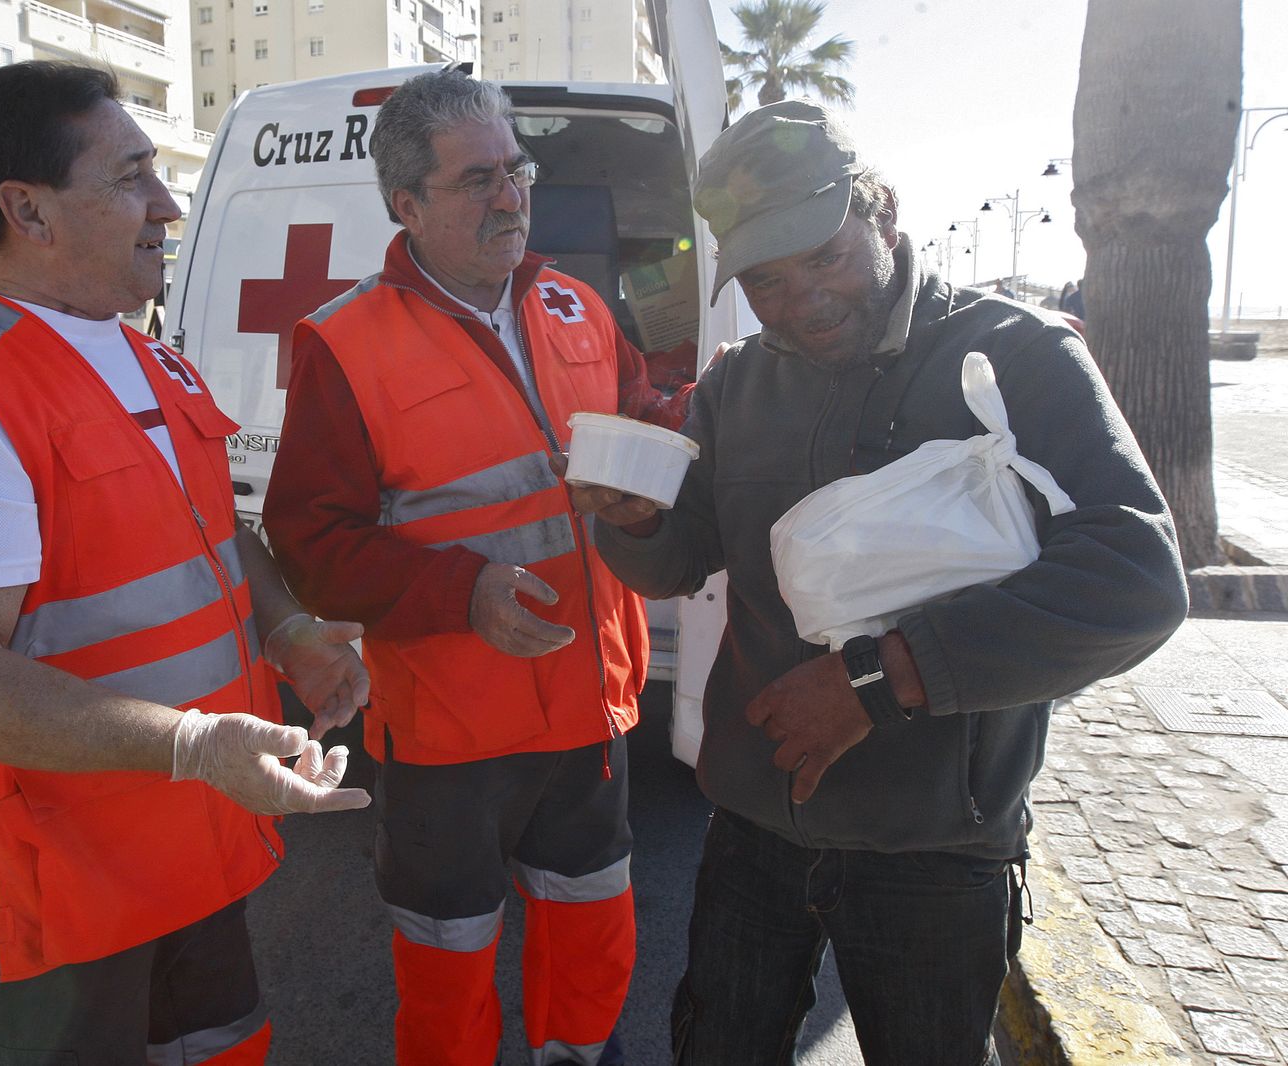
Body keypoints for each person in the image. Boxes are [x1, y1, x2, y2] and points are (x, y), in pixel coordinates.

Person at [581, 100, 1188, 1064]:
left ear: (884, 212)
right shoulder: (737, 385)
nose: (804, 301)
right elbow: (681, 556)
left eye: (825, 257)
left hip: (937, 850)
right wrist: (636, 523)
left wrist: (882, 677)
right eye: (768, 280)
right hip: (754, 830)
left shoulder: (1021, 355)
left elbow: (1136, 577)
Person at [0, 61, 371, 1066]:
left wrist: (289, 629)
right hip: (63, 901)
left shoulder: (151, 358)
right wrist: (192, 745)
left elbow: (215, 535)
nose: (166, 204)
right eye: (131, 176)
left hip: (193, 852)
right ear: (28, 210)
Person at [262, 69, 684, 1066]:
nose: (512, 196)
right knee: (449, 976)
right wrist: (463, 592)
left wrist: (660, 461)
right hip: (448, 737)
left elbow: (640, 419)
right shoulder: (345, 342)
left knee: (590, 957)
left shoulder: (575, 304)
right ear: (406, 204)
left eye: (518, 168)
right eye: (478, 178)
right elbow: (311, 548)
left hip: (589, 711)